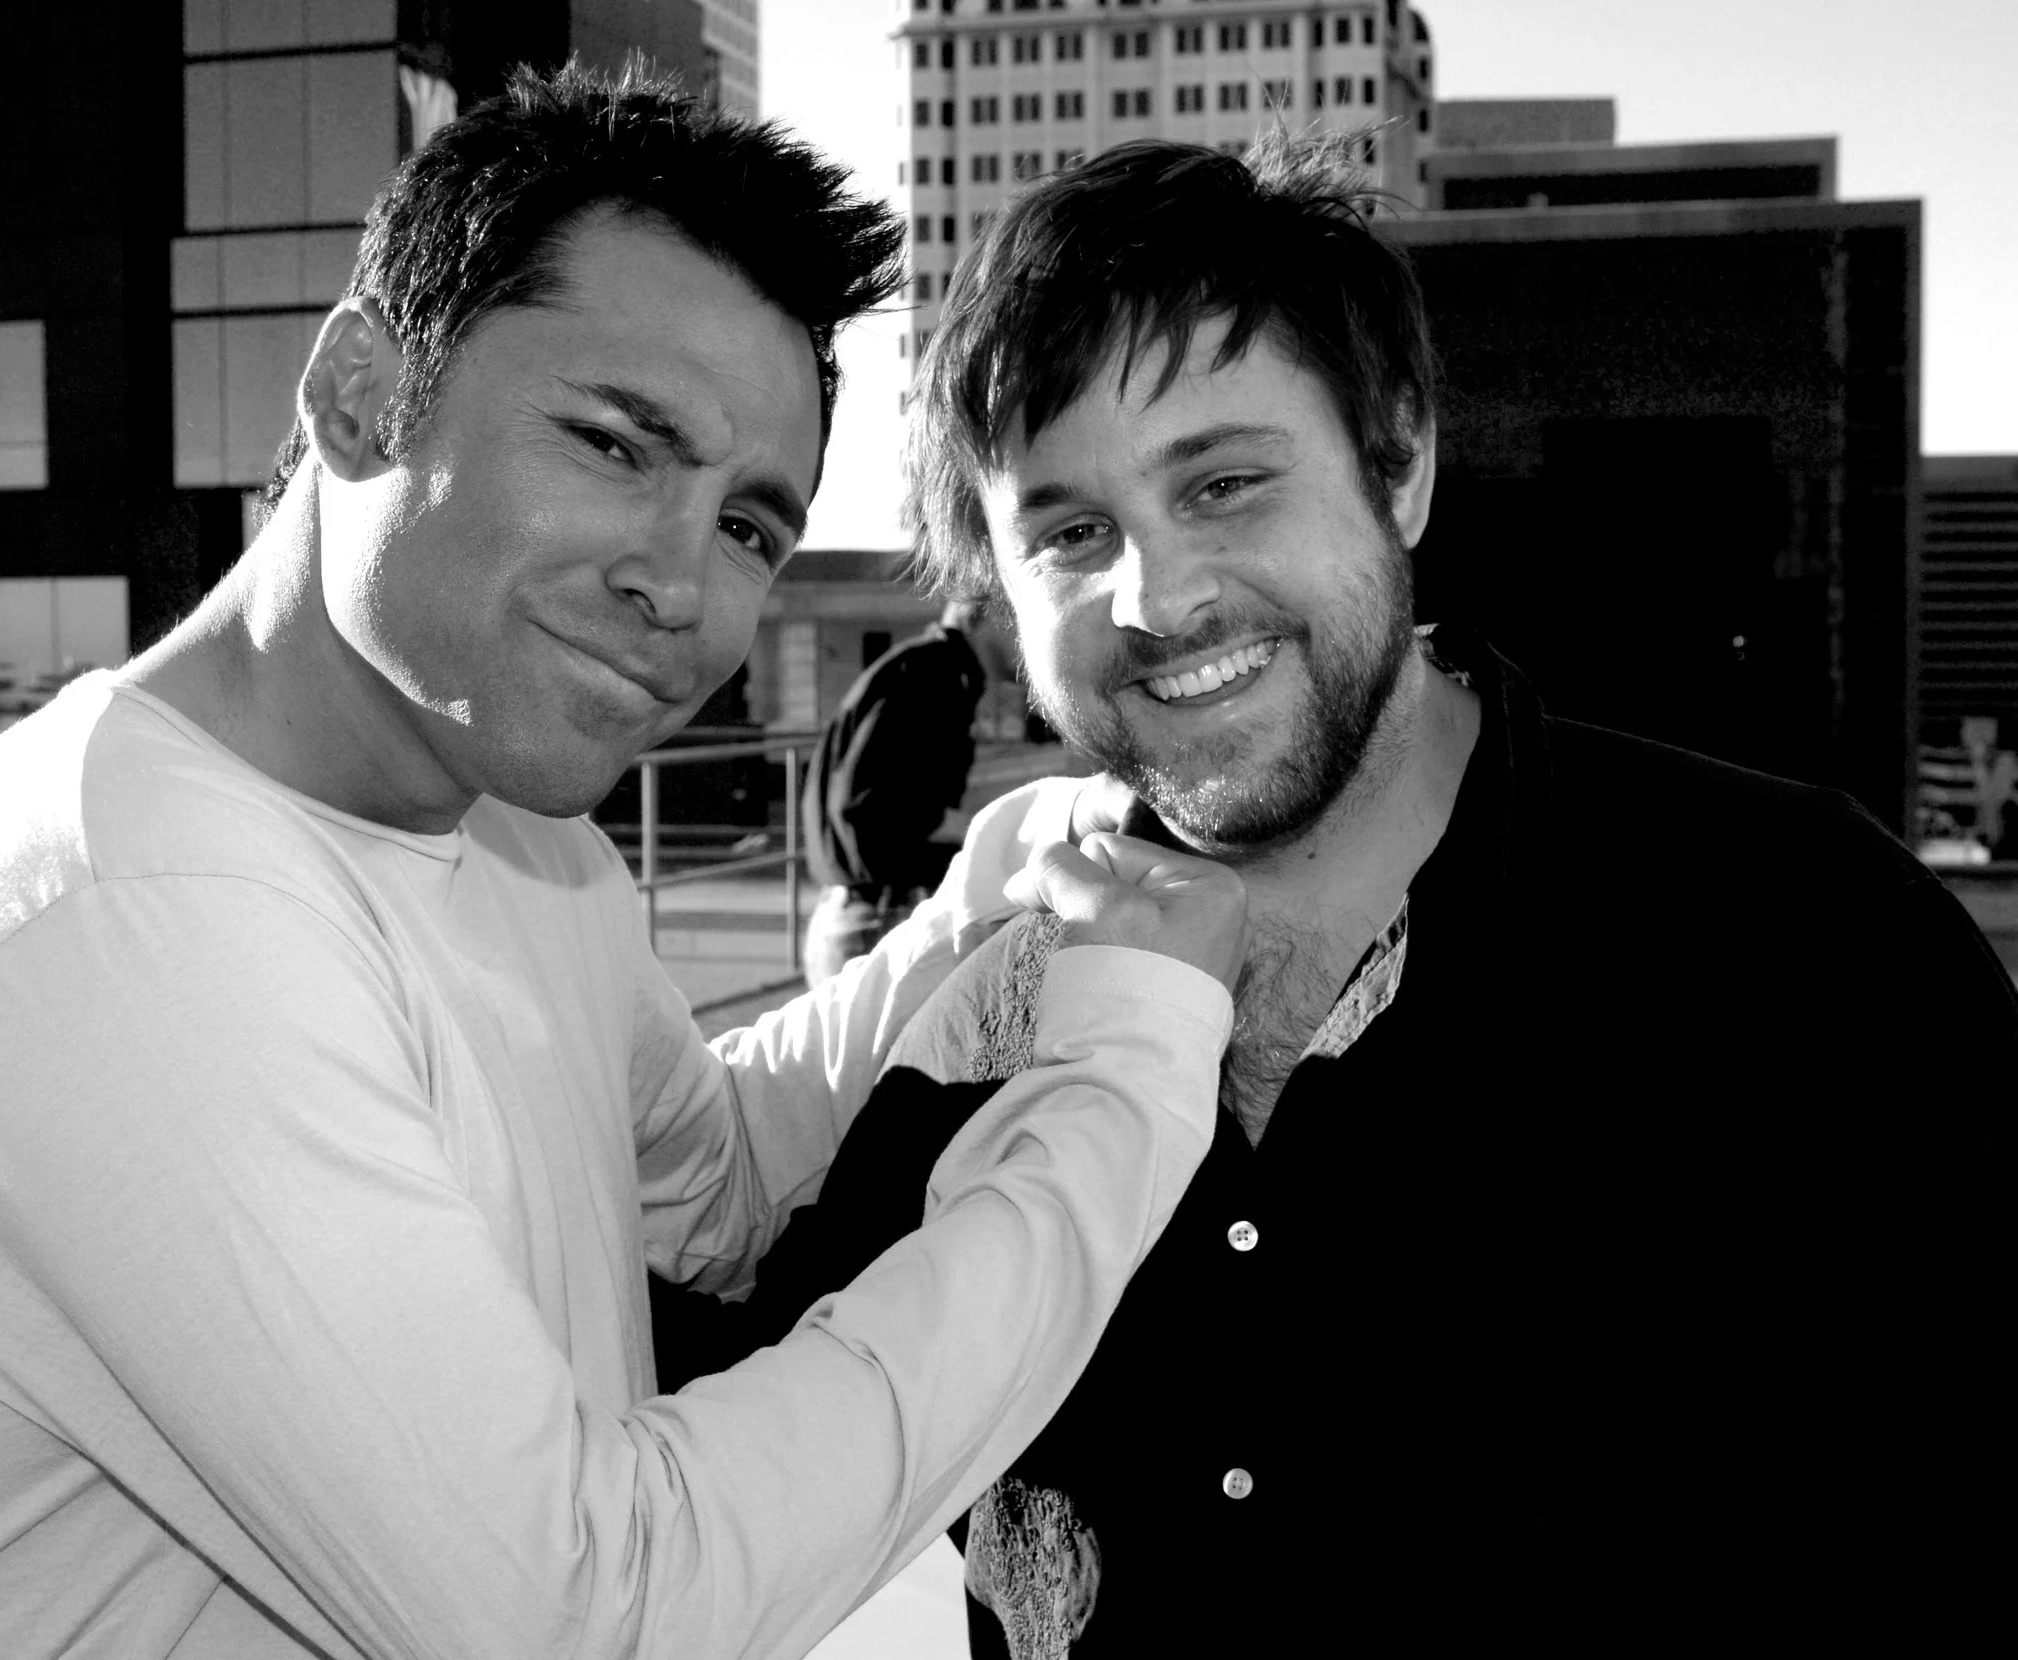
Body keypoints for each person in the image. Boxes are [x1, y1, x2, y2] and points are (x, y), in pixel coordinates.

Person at [0, 69, 1255, 1660]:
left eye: (749, 527)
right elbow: (583, 1610)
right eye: (616, 445)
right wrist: (1124, 1088)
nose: (680, 587)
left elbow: (712, 1184)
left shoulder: (515, 828)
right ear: (360, 394)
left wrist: (982, 906)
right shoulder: (123, 916)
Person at [654, 135, 2018, 1649]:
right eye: (1071, 532)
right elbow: (669, 1425)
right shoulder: (982, 1013)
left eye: (1226, 484)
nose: (1159, 599)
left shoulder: (1807, 935)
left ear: (1401, 463)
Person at [799, 598, 1015, 985]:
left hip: (862, 915)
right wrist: (983, 830)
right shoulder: (936, 672)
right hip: (880, 922)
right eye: (1019, 614)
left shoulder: (922, 665)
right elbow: (868, 807)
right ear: (984, 611)